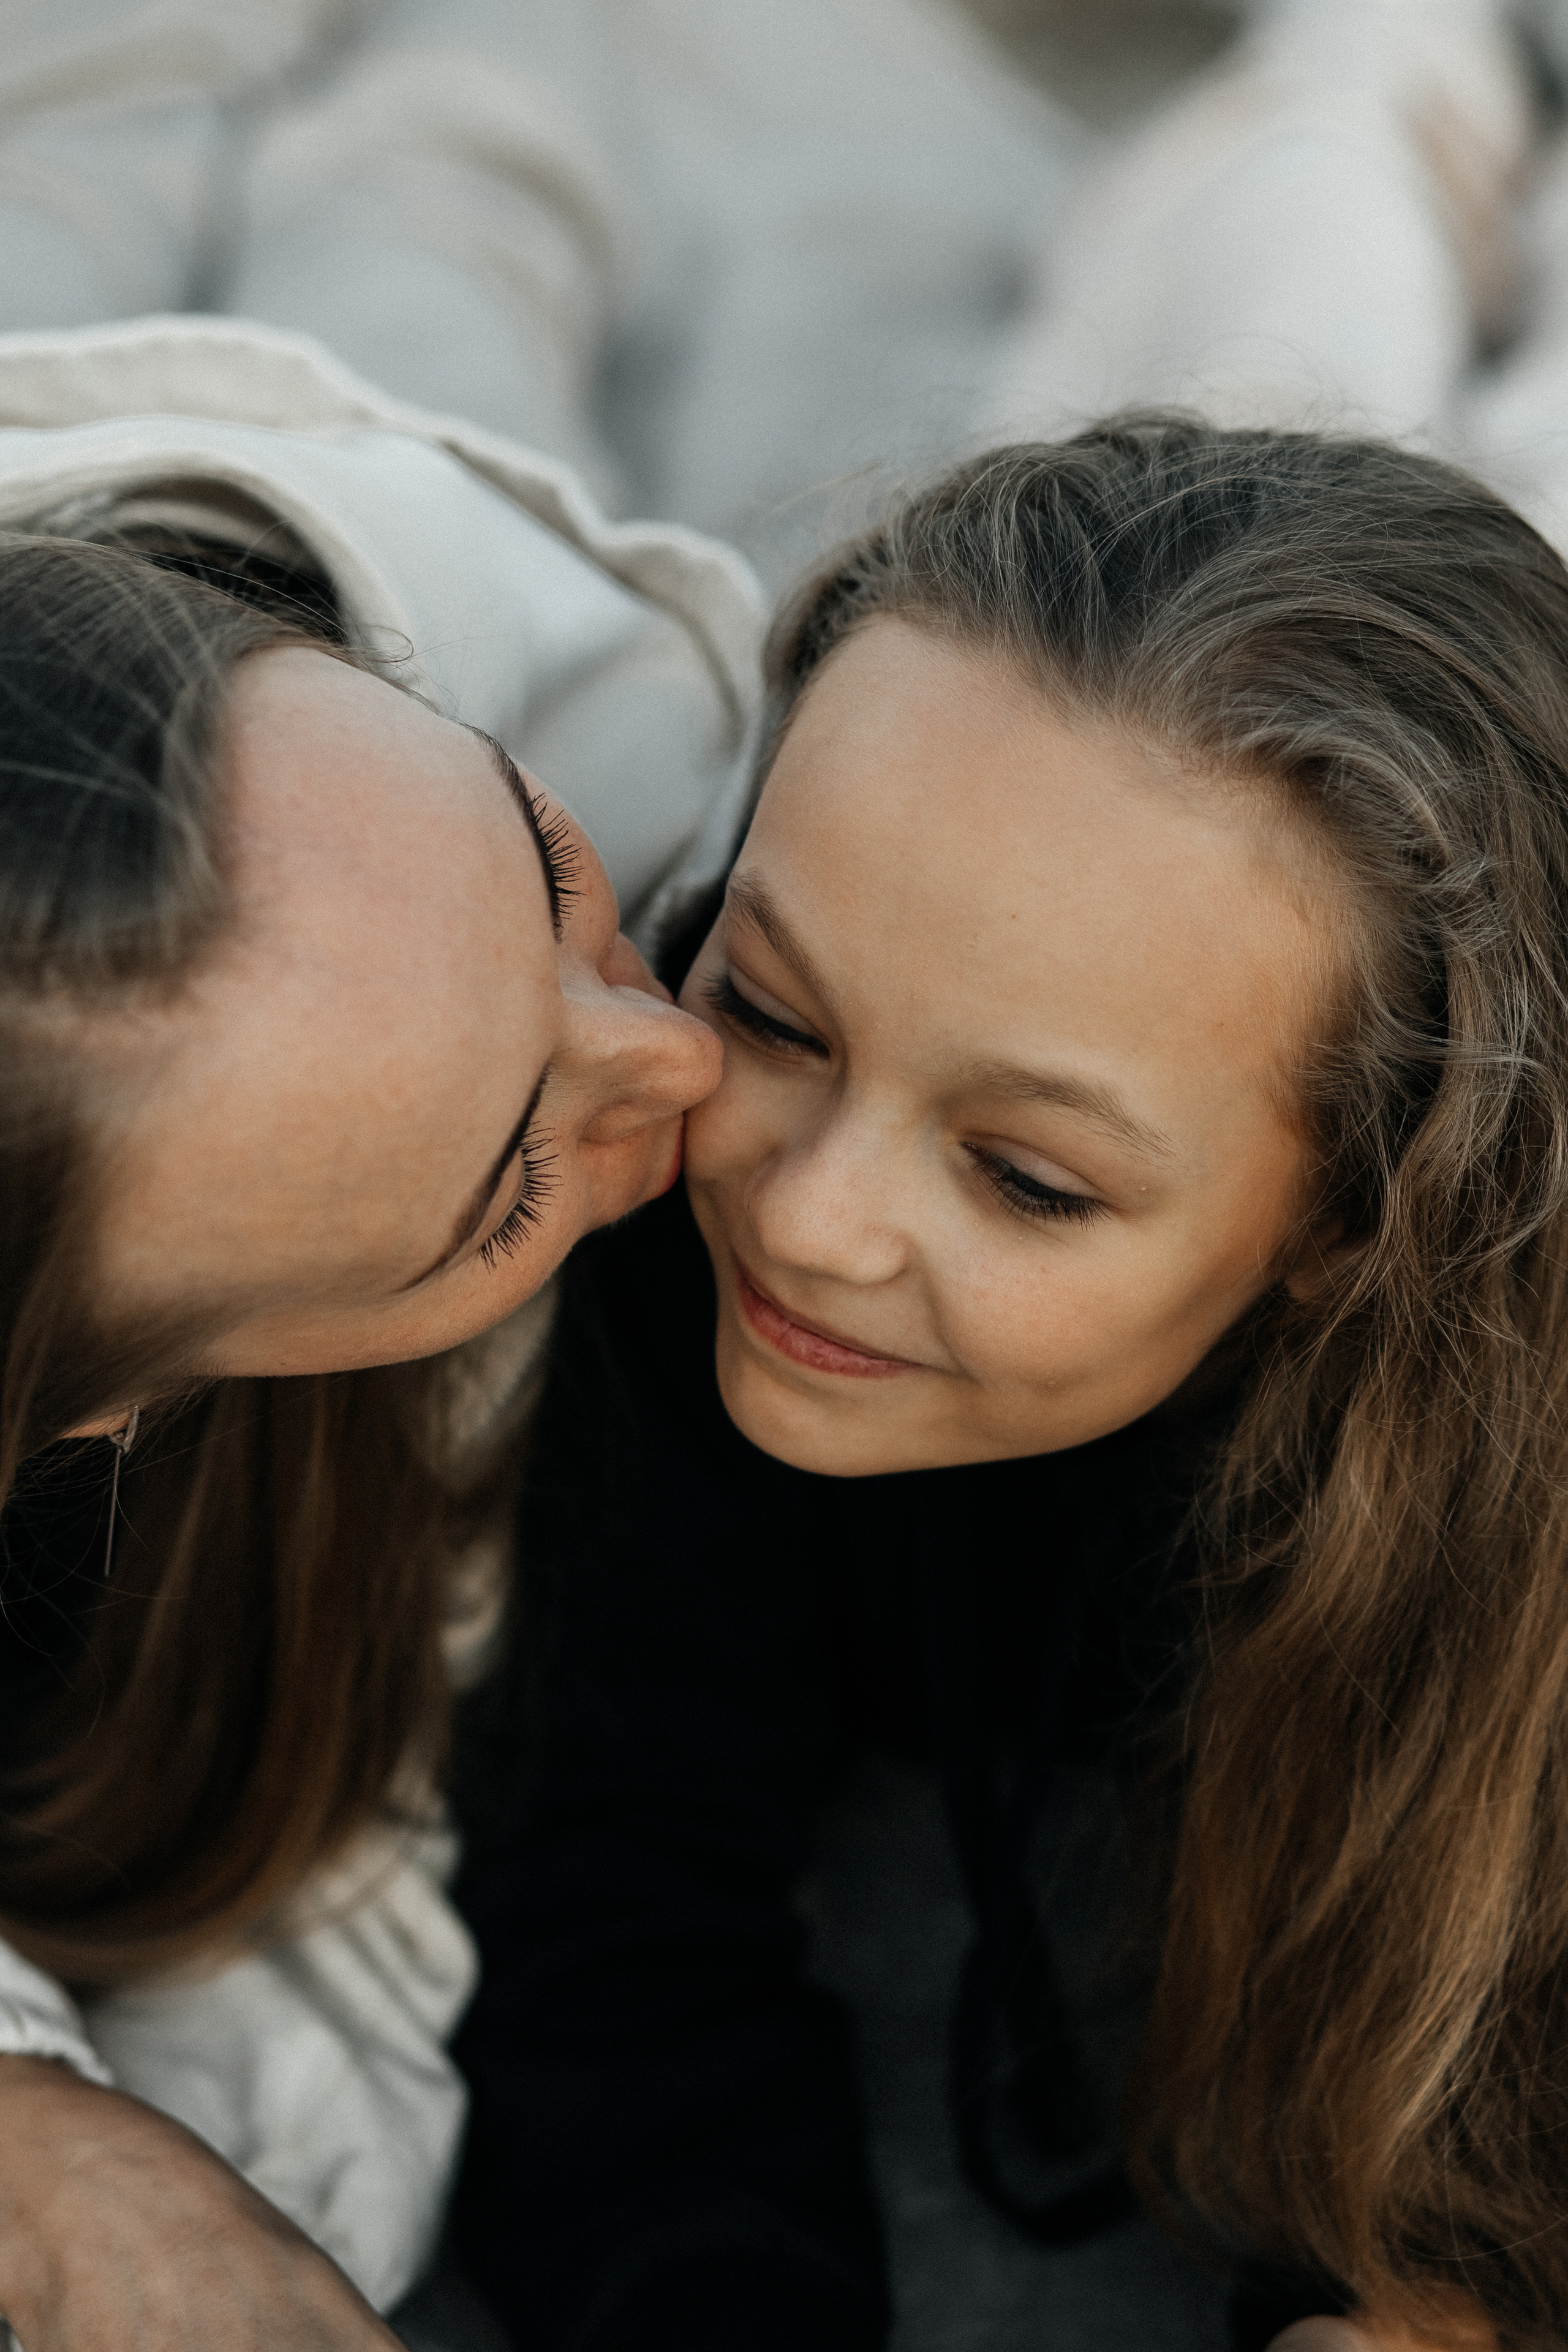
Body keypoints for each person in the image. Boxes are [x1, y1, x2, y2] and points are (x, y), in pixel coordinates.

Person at [448, 419, 1568, 2352]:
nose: (806, 1218)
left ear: (1366, 1220)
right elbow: (614, 1882)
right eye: (776, 1005)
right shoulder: (680, 1157)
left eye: (1030, 1176)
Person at [0, 310, 760, 2351]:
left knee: (448, 218)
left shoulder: (453, 775)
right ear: (96, 1427)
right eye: (505, 1185)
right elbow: (326, 1969)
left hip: (429, 506)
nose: (687, 1057)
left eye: (538, 868)